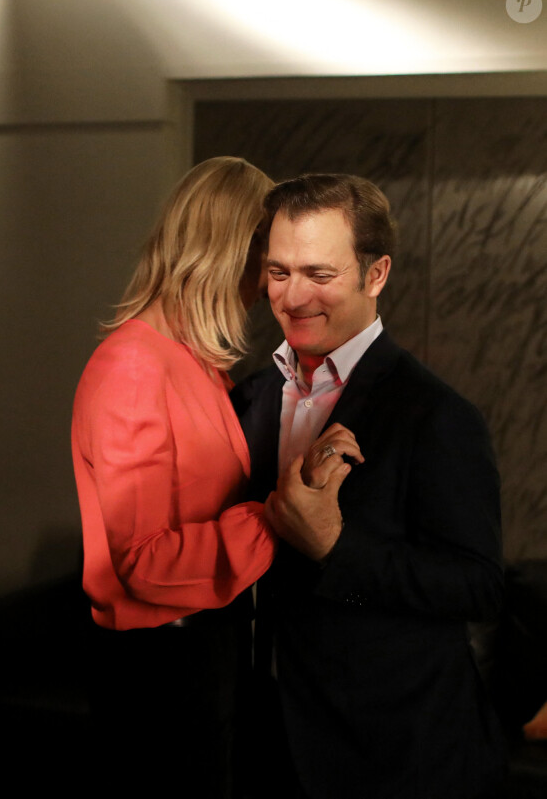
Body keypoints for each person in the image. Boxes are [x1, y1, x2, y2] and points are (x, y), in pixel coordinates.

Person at [231, 173, 507, 799]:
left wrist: (334, 544)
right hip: (269, 747)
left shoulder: (437, 414)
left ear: (375, 274)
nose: (294, 297)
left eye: (319, 275)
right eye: (278, 272)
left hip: (399, 757)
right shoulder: (246, 397)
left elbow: (480, 587)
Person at [71, 157, 277, 797]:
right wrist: (278, 519)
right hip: (161, 667)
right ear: (229, 255)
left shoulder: (191, 363)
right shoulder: (135, 366)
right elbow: (143, 560)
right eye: (265, 264)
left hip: (202, 651)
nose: (269, 287)